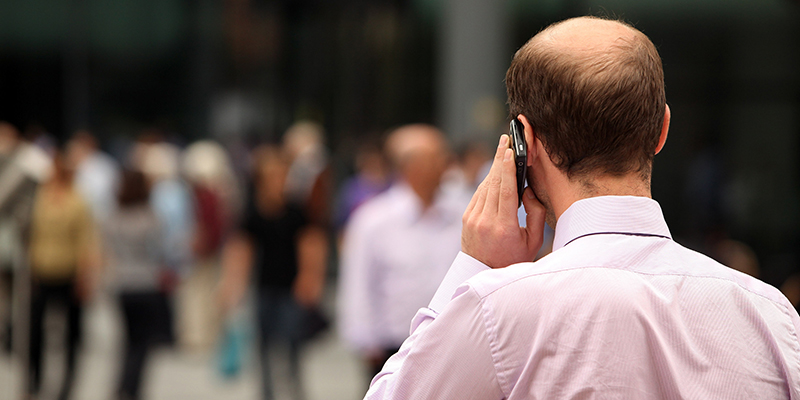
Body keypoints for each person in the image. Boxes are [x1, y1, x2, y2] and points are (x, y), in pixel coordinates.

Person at [364, 16, 800, 399]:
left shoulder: (498, 309)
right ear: (662, 131)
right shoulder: (770, 314)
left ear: (525, 143)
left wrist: (473, 268)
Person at [337, 124, 471, 382]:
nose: (446, 164)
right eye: (437, 157)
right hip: (393, 345)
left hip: (451, 344)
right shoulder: (373, 220)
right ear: (412, 166)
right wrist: (365, 339)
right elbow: (359, 282)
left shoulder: (461, 214)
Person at [218, 145, 326, 400]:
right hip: (264, 286)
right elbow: (241, 252)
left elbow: (311, 245)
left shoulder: (297, 210)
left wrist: (310, 278)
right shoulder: (252, 212)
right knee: (263, 346)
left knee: (292, 346)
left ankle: (295, 391)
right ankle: (266, 394)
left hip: (291, 287)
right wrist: (233, 287)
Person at [28, 150, 99, 400]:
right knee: (34, 331)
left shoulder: (78, 201)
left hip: (69, 272)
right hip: (42, 270)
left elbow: (86, 240)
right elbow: (31, 235)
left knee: (71, 334)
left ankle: (67, 386)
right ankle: (33, 381)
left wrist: (86, 275)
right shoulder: (41, 198)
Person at [104, 169, 173, 400]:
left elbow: (107, 249)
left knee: (127, 339)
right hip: (146, 283)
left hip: (122, 282)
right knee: (143, 342)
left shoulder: (114, 216)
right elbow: (161, 250)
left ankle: (123, 383)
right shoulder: (150, 216)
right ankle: (133, 387)